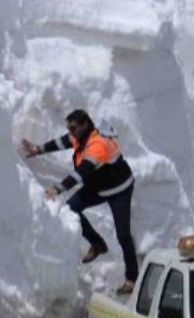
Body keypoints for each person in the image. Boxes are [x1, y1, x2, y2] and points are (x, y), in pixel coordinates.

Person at [20, 110, 138, 294]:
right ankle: (98, 244)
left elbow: (81, 172)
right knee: (71, 208)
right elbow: (62, 142)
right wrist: (38, 149)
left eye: (73, 128)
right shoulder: (80, 136)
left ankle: (132, 278)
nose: (71, 132)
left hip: (119, 190)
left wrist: (57, 189)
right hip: (98, 186)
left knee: (123, 235)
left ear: (84, 124)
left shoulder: (97, 144)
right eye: (69, 128)